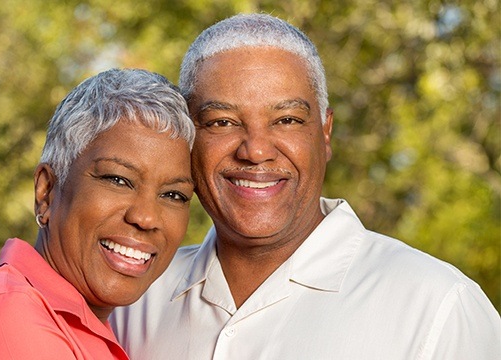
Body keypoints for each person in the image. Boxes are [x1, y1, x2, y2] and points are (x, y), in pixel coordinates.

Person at [110, 14, 501, 359]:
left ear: (325, 133)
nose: (256, 150)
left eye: (287, 120)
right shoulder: (132, 296)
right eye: (222, 122)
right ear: (188, 138)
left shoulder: (438, 308)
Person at [0, 68, 196, 359]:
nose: (146, 217)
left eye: (173, 195)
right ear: (46, 191)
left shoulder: (90, 327)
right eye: (118, 180)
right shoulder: (10, 318)